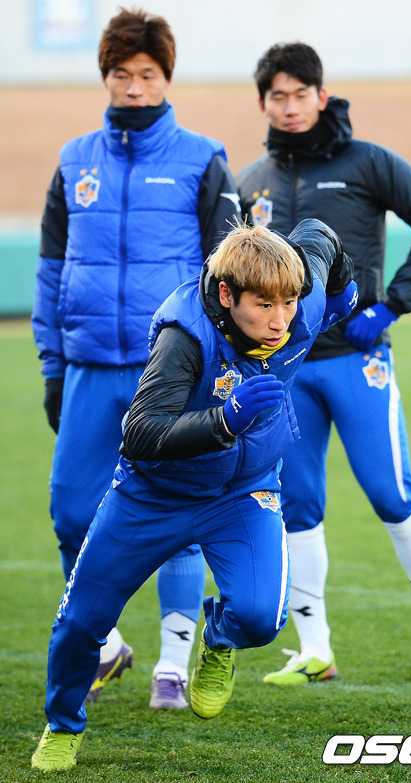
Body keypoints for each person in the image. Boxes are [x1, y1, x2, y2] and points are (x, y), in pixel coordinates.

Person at [30, 218, 357, 771]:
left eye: (289, 303)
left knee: (260, 617)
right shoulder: (183, 336)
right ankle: (63, 724)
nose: (280, 321)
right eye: (264, 306)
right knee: (82, 622)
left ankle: (219, 639)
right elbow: (140, 433)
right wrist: (224, 420)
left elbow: (321, 234)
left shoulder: (300, 300)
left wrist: (343, 287)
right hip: (154, 494)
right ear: (227, 295)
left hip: (243, 492)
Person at [31, 7, 240, 711]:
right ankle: (107, 644)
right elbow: (50, 268)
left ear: (166, 77)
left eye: (147, 74)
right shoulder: (74, 160)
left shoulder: (203, 159)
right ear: (106, 77)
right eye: (122, 74)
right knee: (70, 513)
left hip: (170, 368)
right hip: (89, 365)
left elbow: (226, 273)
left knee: (176, 516)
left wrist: (218, 362)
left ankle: (173, 667)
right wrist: (53, 363)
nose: (134, 87)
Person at [237, 42, 411, 686]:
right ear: (263, 103)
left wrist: (391, 304)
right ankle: (315, 650)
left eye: (300, 94)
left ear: (320, 94)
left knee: (393, 496)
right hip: (285, 373)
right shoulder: (251, 182)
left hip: (357, 363)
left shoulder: (368, 162)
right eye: (277, 96)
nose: (290, 106)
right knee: (296, 506)